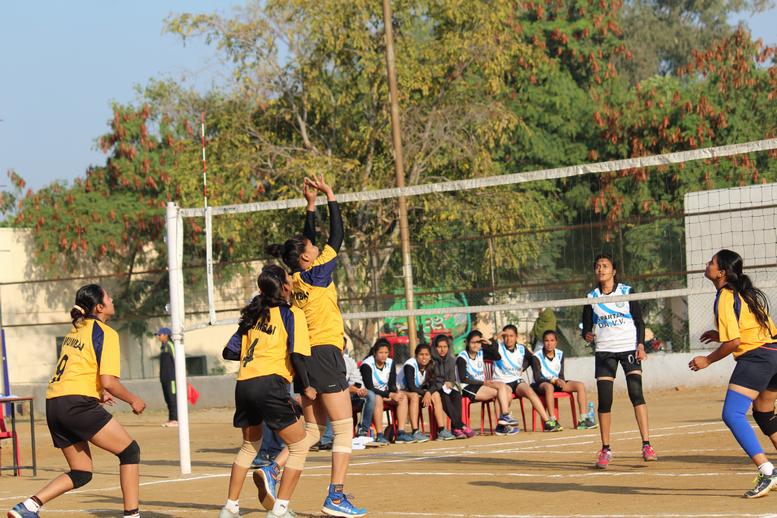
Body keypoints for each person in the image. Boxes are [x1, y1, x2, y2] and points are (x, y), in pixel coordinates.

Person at [266, 175, 366, 517]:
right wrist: (330, 196)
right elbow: (337, 236)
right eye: (312, 247)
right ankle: (335, 496)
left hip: (305, 358)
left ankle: (273, 468)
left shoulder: (295, 278)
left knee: (313, 430)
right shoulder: (318, 272)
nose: (316, 246)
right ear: (307, 257)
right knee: (344, 428)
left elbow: (304, 242)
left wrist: (311, 206)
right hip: (324, 352)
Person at [9, 284, 146, 518]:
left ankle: (28, 507)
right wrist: (134, 400)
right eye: (108, 297)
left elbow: (77, 370)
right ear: (99, 307)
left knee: (81, 472)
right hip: (76, 404)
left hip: (55, 404)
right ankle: (132, 515)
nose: (112, 299)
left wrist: (97, 392)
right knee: (130, 452)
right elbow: (109, 382)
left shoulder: (76, 330)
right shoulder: (105, 333)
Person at [219, 264, 313, 518]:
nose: (292, 281)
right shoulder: (291, 313)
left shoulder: (253, 315)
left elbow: (229, 352)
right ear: (284, 287)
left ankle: (230, 507)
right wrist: (307, 386)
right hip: (269, 383)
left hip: (244, 384)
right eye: (289, 279)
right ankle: (280, 509)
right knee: (299, 446)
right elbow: (297, 355)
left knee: (250, 446)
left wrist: (257, 351)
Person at [690, 249, 777, 498]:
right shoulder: (746, 293)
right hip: (774, 353)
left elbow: (735, 342)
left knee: (732, 413)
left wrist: (707, 360)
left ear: (721, 272)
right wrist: (719, 335)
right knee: (764, 413)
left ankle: (767, 471)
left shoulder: (726, 296)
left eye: (711, 262)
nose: (707, 264)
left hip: (757, 358)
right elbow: (752, 329)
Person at [582, 253, 656, 469]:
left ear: (613, 271)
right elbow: (585, 327)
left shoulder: (626, 291)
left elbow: (639, 322)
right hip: (604, 352)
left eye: (605, 266)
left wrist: (640, 345)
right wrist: (587, 334)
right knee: (605, 400)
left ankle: (647, 445)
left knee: (636, 393)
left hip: (628, 349)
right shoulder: (591, 296)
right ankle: (605, 449)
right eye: (598, 266)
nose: (601, 269)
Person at [492, 324, 562, 433]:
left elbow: (532, 358)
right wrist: (496, 337)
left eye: (511, 336)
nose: (508, 339)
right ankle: (501, 425)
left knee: (530, 391)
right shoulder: (498, 347)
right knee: (506, 396)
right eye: (505, 336)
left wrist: (523, 367)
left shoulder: (521, 348)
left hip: (517, 381)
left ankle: (547, 422)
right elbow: (486, 347)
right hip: (503, 382)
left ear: (516, 337)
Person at [456, 330, 520, 434]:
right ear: (467, 343)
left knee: (502, 387)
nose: (476, 345)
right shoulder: (462, 357)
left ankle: (503, 420)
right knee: (500, 394)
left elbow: (497, 357)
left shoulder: (481, 353)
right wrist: (483, 383)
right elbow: (463, 379)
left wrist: (489, 343)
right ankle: (503, 421)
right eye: (473, 342)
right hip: (468, 387)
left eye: (478, 342)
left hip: (481, 385)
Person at [532, 330, 596, 429]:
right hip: (541, 384)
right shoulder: (536, 356)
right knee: (549, 387)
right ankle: (552, 421)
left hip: (556, 383)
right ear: (543, 342)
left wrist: (561, 381)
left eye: (552, 340)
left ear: (556, 342)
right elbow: (537, 378)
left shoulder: (560, 354)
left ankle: (583, 420)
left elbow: (561, 374)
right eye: (546, 341)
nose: (549, 343)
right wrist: (553, 381)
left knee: (580, 385)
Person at [320, 343, 379, 449]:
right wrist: (346, 388)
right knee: (331, 398)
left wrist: (358, 389)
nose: (340, 351)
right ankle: (326, 439)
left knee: (370, 395)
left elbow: (356, 380)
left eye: (342, 348)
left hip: (349, 396)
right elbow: (327, 384)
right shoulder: (325, 363)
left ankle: (362, 433)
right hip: (331, 395)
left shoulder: (349, 361)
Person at [361, 339, 413, 444]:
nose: (383, 355)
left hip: (385, 394)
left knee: (402, 397)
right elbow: (369, 387)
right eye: (380, 352)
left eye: (386, 352)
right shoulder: (366, 364)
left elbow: (392, 385)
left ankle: (400, 433)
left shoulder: (390, 362)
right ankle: (380, 434)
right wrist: (389, 394)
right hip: (369, 396)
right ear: (374, 352)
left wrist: (395, 392)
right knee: (378, 398)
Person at [401, 343, 456, 441]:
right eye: (421, 354)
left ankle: (441, 430)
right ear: (416, 355)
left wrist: (429, 392)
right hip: (402, 391)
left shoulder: (431, 365)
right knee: (414, 395)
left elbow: (435, 384)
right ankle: (415, 431)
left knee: (436, 394)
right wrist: (425, 393)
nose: (424, 357)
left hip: (416, 391)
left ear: (430, 356)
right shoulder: (410, 365)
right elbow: (411, 387)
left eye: (427, 355)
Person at [430, 335, 472, 438]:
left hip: (446, 388)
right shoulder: (431, 361)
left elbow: (453, 378)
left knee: (456, 394)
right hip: (434, 389)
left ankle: (455, 429)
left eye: (445, 347)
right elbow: (432, 380)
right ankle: (460, 425)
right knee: (444, 396)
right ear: (435, 348)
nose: (442, 349)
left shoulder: (452, 360)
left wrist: (450, 383)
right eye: (439, 347)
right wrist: (443, 384)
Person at [154, 327, 178, 427]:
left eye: (160, 335)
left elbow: (177, 360)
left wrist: (179, 375)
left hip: (171, 377)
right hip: (164, 377)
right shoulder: (163, 347)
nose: (158, 337)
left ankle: (175, 419)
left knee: (172, 398)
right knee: (167, 398)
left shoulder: (170, 345)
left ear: (166, 335)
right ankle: (171, 419)